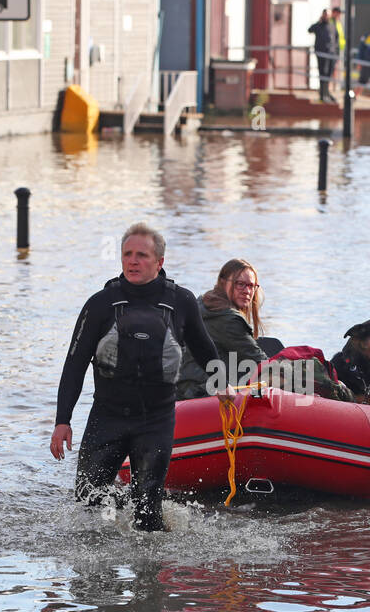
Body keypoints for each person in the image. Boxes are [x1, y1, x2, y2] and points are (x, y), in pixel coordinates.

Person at [50, 223, 218, 531]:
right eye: (127, 254)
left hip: (156, 420)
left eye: (142, 255)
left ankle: (149, 575)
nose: (133, 261)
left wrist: (225, 387)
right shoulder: (100, 304)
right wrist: (63, 420)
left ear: (160, 262)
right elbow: (74, 364)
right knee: (87, 507)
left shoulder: (182, 302)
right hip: (107, 418)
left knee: (148, 515)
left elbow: (206, 351)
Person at [177, 258, 271, 400]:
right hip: (203, 393)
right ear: (223, 283)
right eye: (240, 284)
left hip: (184, 388)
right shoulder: (228, 320)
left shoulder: (202, 303)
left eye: (251, 286)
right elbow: (259, 361)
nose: (247, 291)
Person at [308, 9, 338, 104]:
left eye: (327, 15)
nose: (326, 17)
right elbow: (310, 30)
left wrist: (335, 52)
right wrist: (319, 21)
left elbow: (336, 38)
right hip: (321, 54)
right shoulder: (319, 26)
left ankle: (327, 93)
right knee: (323, 73)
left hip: (331, 54)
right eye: (325, 15)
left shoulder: (333, 26)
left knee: (328, 74)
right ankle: (322, 94)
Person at [330, 7, 346, 93]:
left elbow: (340, 37)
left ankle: (334, 86)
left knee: (335, 68)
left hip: (337, 49)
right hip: (331, 49)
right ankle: (330, 87)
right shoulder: (330, 22)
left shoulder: (338, 23)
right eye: (337, 13)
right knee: (330, 68)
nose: (339, 15)